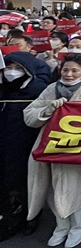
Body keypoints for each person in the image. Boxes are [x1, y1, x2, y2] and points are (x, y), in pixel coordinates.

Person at [24, 54, 81, 248]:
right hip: (48, 147)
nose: (69, 74)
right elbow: (29, 115)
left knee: (77, 189)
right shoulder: (51, 89)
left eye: (75, 70)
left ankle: (79, 227)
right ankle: (61, 227)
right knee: (52, 188)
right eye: (65, 69)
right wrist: (47, 111)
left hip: (77, 149)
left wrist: (65, 112)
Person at [0, 52, 49, 241]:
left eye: (18, 69)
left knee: (27, 183)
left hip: (28, 143)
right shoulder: (3, 88)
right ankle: (9, 215)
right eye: (9, 67)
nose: (12, 72)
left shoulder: (39, 90)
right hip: (4, 143)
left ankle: (31, 216)